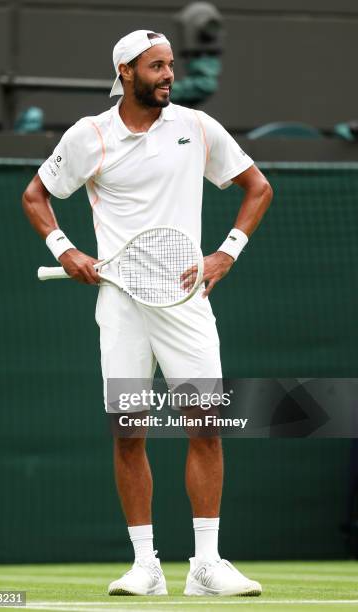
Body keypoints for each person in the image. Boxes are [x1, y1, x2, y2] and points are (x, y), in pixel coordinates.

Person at [22, 29, 273, 597]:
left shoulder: (198, 128)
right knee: (129, 430)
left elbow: (257, 187)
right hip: (122, 306)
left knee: (204, 425)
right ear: (125, 73)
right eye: (156, 67)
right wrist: (65, 249)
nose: (168, 75)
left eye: (170, 66)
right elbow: (36, 195)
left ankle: (206, 566)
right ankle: (145, 567)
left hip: (185, 301)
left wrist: (225, 253)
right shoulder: (89, 137)